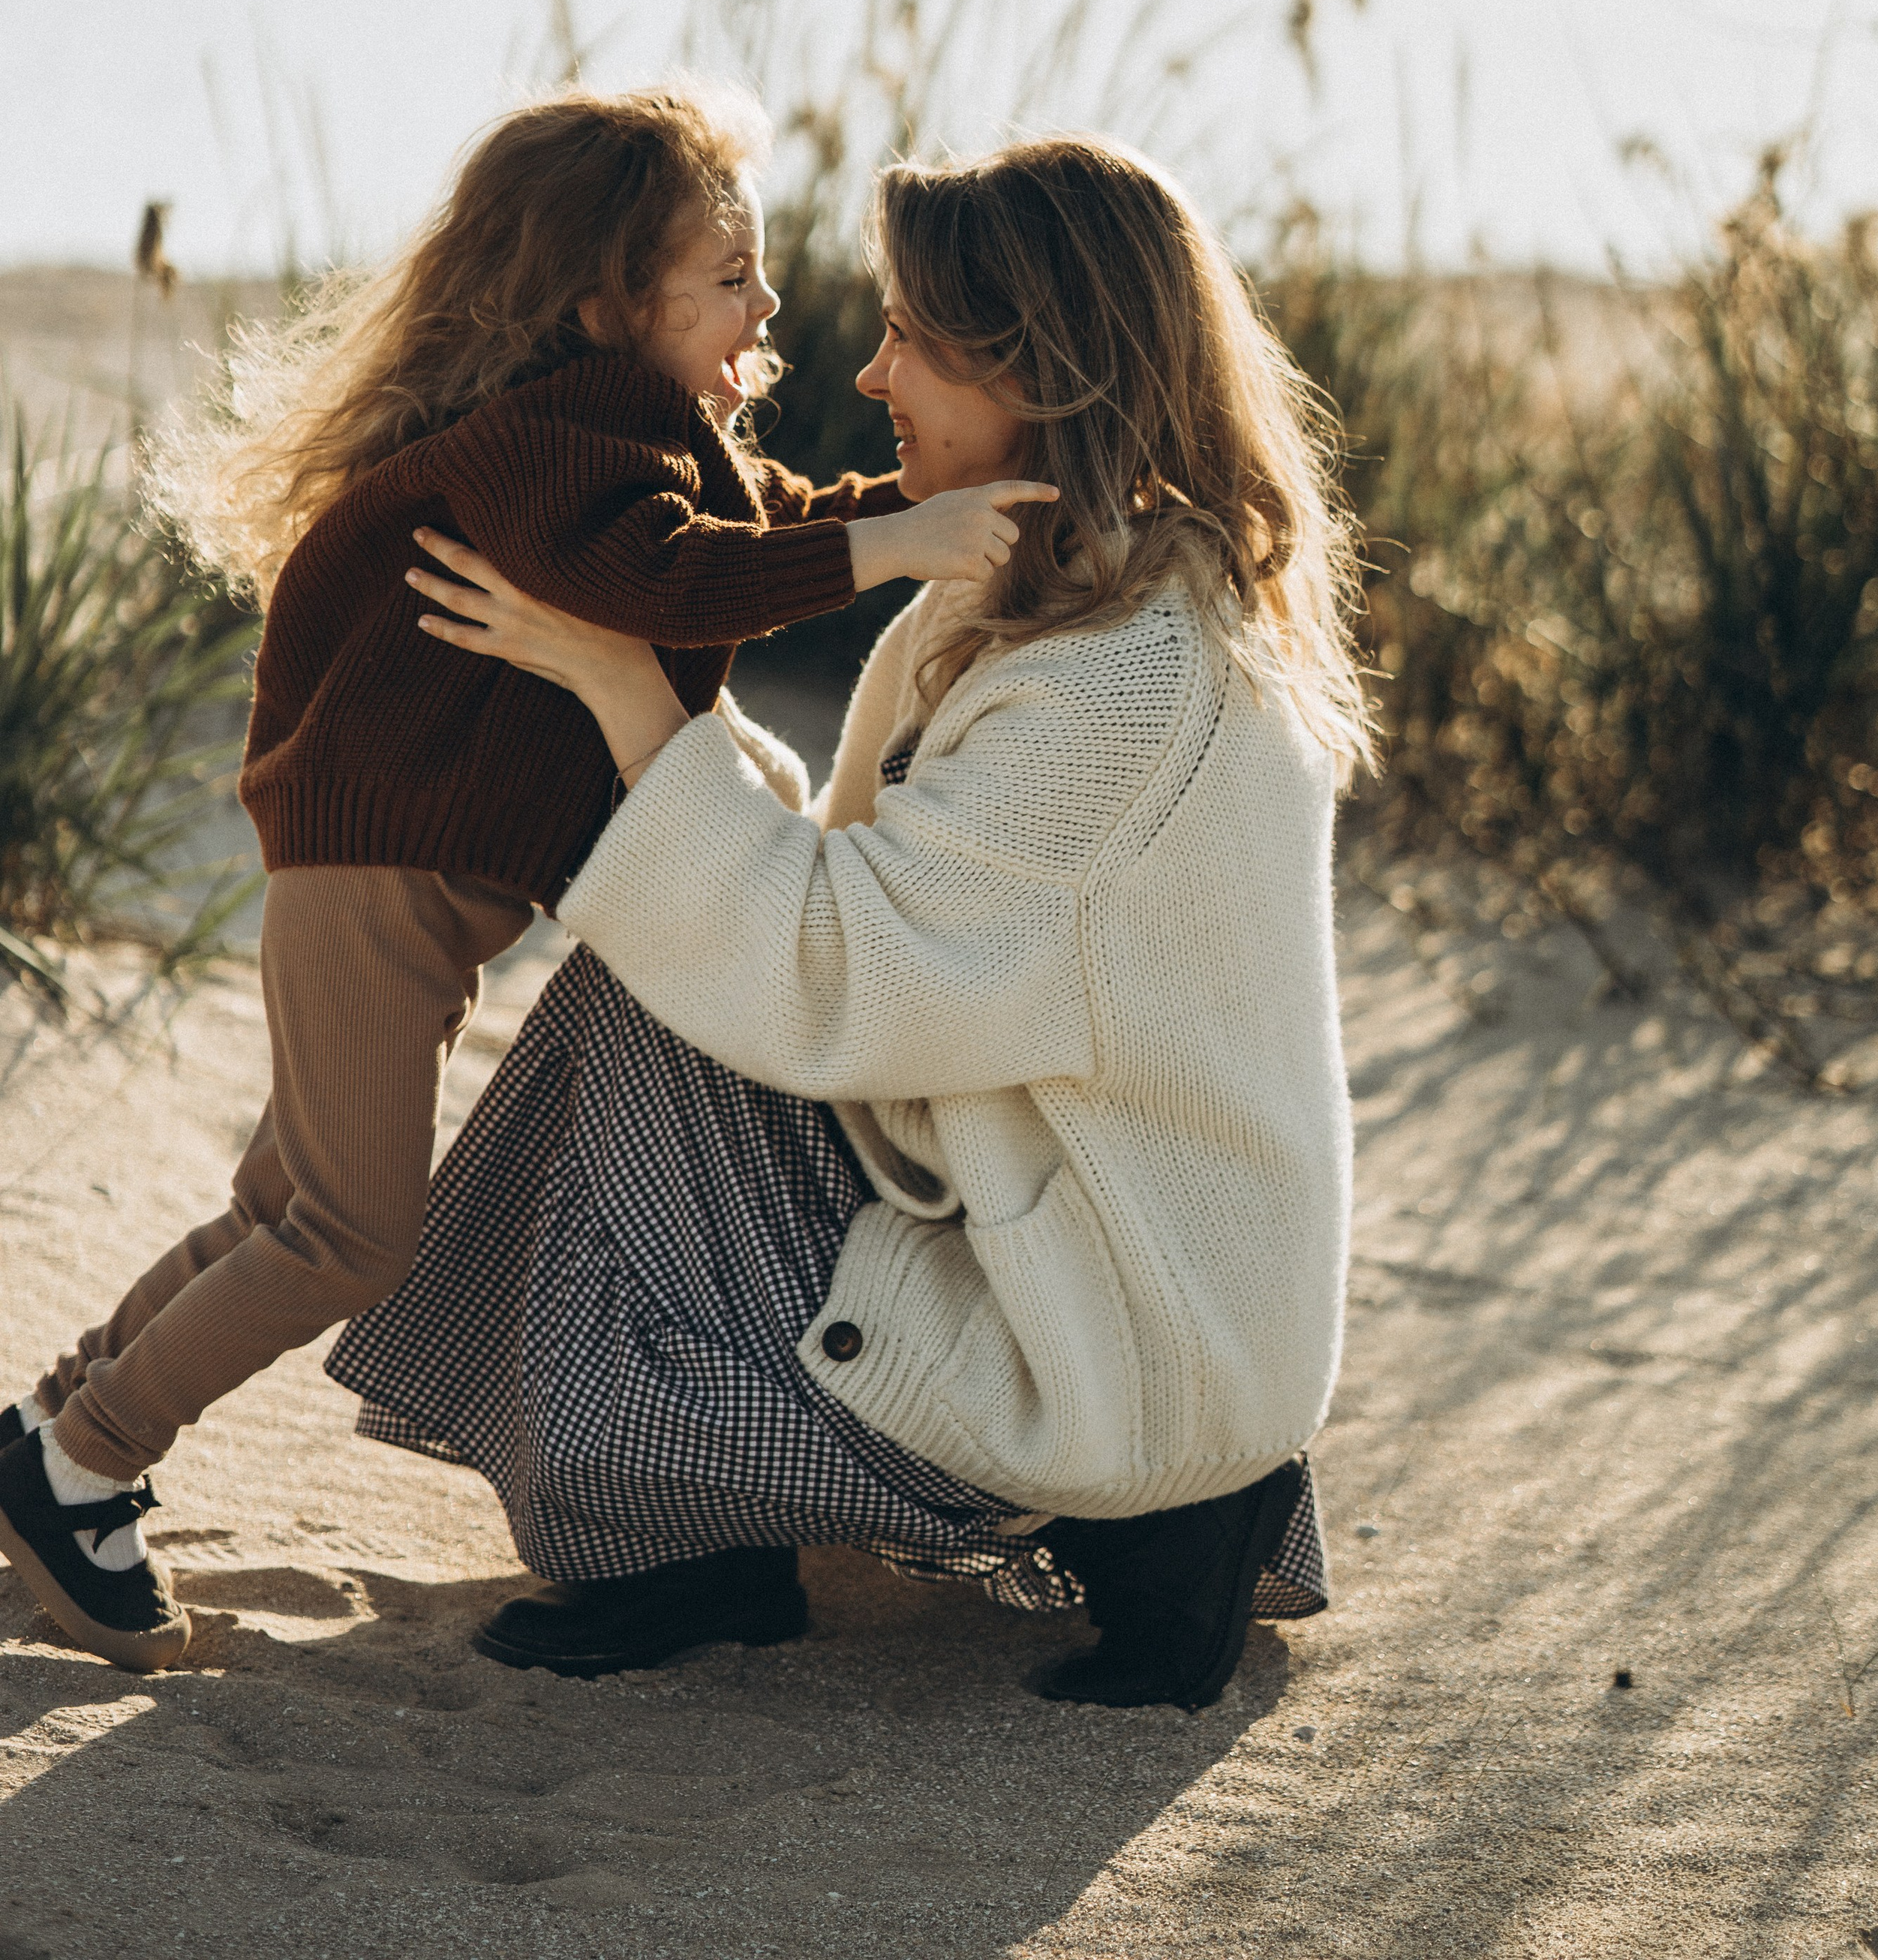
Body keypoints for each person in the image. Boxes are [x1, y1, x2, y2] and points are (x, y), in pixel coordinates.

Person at [0, 80, 1048, 1675]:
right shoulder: (563, 440)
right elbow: (668, 576)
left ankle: (49, 1436)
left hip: (388, 881)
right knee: (353, 1235)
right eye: (729, 279)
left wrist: (916, 509)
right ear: (599, 304)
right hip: (379, 881)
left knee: (287, 1206)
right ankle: (85, 1463)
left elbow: (747, 523)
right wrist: (899, 547)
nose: (767, 305)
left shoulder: (626, 432)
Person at [331, 132, 1369, 1712]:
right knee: (666, 946)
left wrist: (624, 691)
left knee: (654, 983)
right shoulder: (1084, 587)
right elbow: (868, 889)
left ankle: (698, 1528)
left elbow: (837, 970)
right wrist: (653, 695)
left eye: (917, 345)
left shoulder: (1120, 682)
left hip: (1112, 1334)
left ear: (1046, 372)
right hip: (1059, 1225)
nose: (871, 379)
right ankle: (703, 1523)